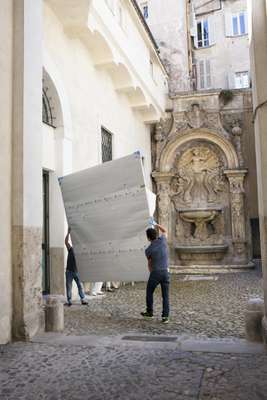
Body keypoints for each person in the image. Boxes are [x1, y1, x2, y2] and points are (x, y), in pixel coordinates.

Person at [141, 220, 170, 323]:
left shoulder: (148, 250)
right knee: (165, 296)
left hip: (156, 272)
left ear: (148, 238)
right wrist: (156, 224)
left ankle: (149, 312)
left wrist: (151, 273)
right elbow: (165, 230)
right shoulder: (163, 240)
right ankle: (165, 317)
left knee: (149, 292)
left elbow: (149, 263)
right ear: (156, 234)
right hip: (166, 272)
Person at [64, 227, 88, 306]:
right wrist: (68, 233)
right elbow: (66, 242)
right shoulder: (71, 249)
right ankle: (69, 300)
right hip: (69, 271)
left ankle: (83, 299)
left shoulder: (81, 251)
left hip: (77, 271)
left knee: (80, 286)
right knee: (69, 286)